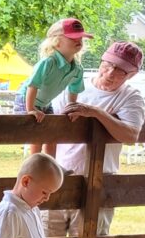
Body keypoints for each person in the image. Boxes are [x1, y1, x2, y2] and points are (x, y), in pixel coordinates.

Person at [48, 41, 145, 238]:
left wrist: (95, 113)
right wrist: (45, 170)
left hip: (98, 184)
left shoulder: (131, 97)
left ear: (132, 74)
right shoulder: (74, 84)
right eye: (108, 65)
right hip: (58, 177)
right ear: (101, 61)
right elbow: (50, 130)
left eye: (120, 70)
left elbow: (131, 135)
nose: (110, 73)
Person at [17, 17, 91, 156]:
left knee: (52, 135)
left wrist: (72, 108)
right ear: (56, 43)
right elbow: (32, 86)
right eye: (73, 38)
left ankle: (50, 165)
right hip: (26, 99)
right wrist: (31, 109)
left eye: (80, 38)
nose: (78, 41)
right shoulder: (48, 62)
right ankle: (35, 164)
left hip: (45, 103)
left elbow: (74, 89)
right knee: (37, 135)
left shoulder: (77, 69)